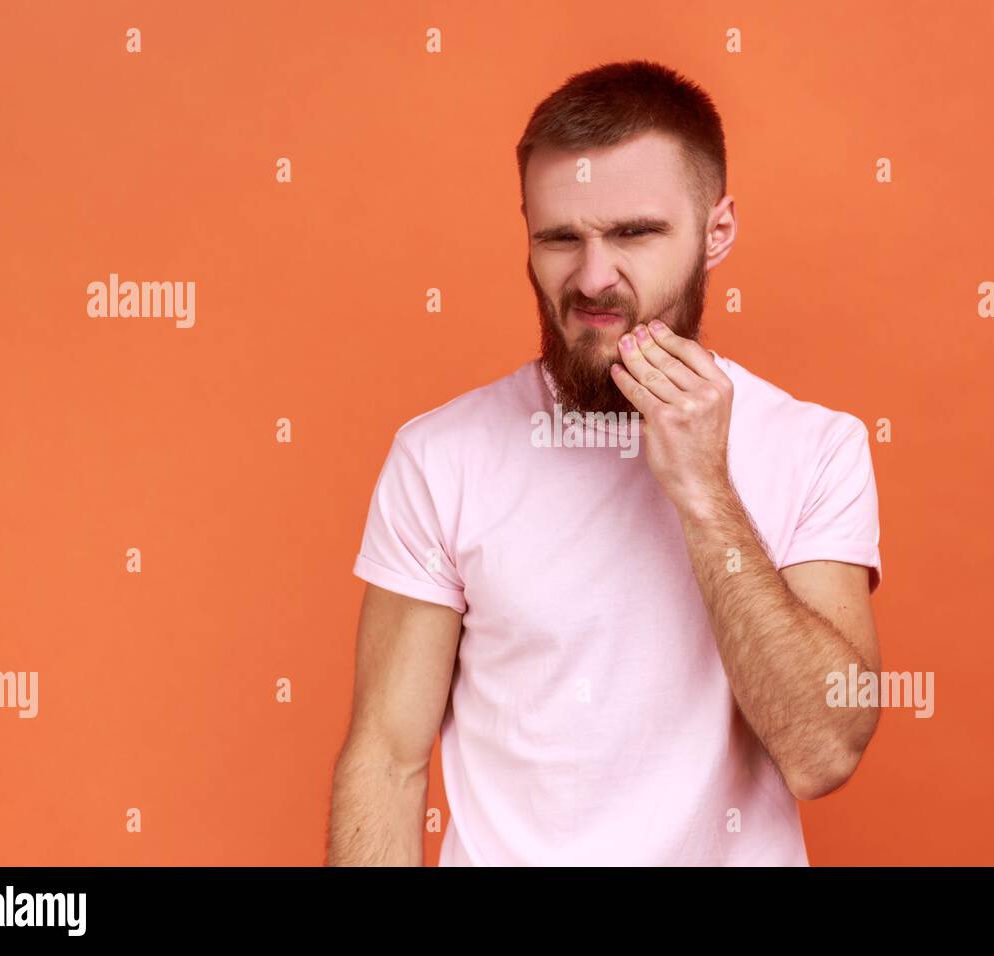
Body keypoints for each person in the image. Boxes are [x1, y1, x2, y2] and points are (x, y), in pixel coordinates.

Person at [327, 59, 883, 866]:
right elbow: (385, 759)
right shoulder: (441, 457)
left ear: (716, 231)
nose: (594, 278)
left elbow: (822, 750)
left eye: (635, 233)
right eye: (561, 237)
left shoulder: (817, 447)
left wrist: (702, 489)